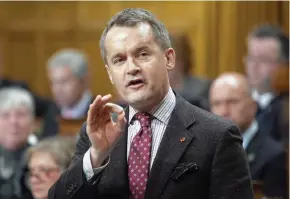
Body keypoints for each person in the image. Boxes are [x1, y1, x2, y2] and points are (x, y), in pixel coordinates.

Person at [49, 8, 253, 199]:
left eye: (142, 54)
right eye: (119, 60)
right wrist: (96, 155)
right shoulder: (96, 134)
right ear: (110, 74)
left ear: (169, 59)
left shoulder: (217, 135)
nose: (132, 68)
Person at [209, 72, 287, 198]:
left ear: (253, 106)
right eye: (217, 104)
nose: (224, 111)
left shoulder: (274, 155)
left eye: (233, 102)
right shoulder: (202, 151)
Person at [244, 24, 289, 142]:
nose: (254, 66)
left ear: (283, 65)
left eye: (263, 60)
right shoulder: (235, 101)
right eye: (251, 58)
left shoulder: (285, 109)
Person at [0, 87, 38, 199]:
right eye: (5, 115)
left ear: (33, 121)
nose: (13, 122)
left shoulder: (43, 159)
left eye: (20, 115)